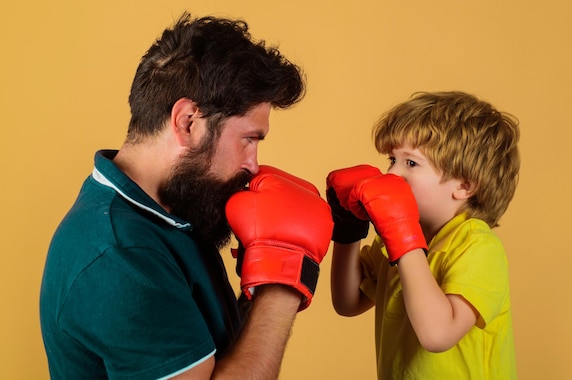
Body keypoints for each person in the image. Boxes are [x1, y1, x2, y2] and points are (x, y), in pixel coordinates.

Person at [40, 12, 333, 379]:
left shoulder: (170, 210)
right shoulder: (121, 255)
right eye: (249, 139)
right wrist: (284, 279)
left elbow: (213, 356)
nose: (254, 165)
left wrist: (262, 274)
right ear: (188, 122)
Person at [327, 91, 520, 379]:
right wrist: (348, 227)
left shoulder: (478, 246)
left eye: (411, 163)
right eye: (392, 159)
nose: (391, 174)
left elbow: (438, 334)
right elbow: (348, 302)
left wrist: (402, 235)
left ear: (465, 186)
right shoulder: (392, 240)